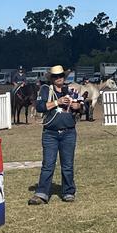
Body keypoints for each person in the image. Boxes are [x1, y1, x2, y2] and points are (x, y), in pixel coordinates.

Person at [28, 65, 81, 205]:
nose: (59, 79)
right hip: (50, 133)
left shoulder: (71, 89)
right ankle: (42, 193)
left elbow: (81, 106)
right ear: (51, 78)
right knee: (48, 164)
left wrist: (78, 106)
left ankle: (68, 192)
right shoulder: (46, 89)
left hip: (68, 131)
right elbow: (39, 106)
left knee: (67, 164)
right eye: (56, 76)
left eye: (61, 76)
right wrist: (57, 102)